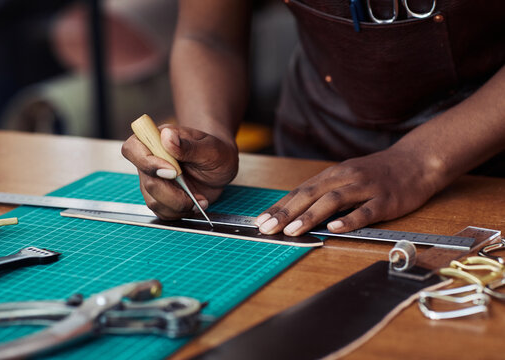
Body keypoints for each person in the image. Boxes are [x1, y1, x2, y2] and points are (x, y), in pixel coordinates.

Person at [122, 0, 505, 237]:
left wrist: (421, 160)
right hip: (310, 155)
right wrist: (208, 138)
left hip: (484, 166)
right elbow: (207, 36)